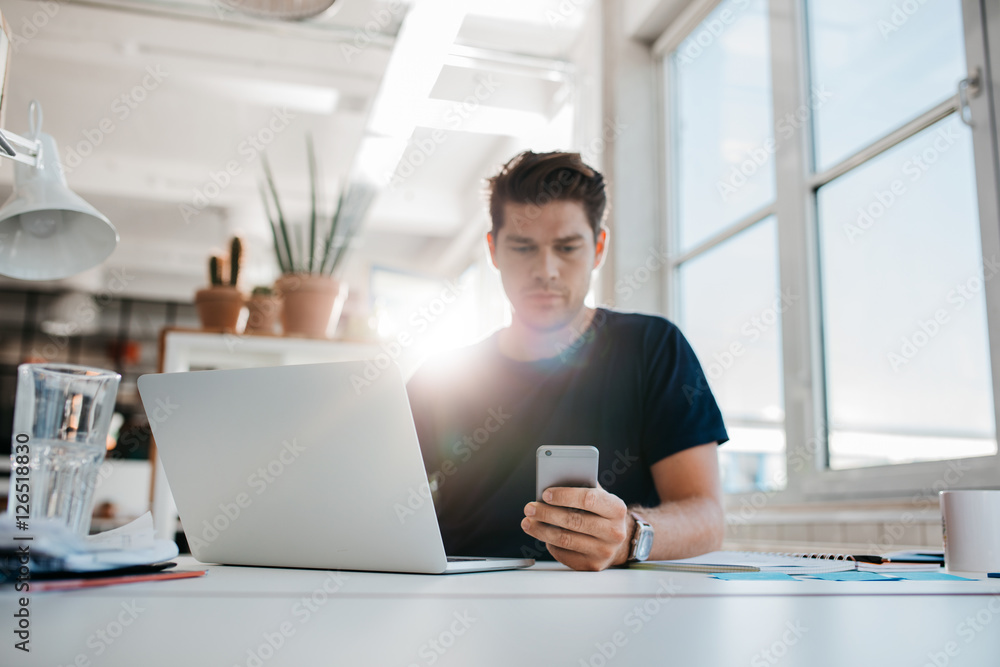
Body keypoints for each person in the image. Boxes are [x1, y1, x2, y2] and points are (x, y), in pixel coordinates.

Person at [406, 150, 728, 572]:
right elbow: (376, 496)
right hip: (462, 602)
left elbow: (707, 515)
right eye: (523, 247)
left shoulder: (654, 348)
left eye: (567, 247)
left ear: (598, 248)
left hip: (609, 603)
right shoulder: (440, 379)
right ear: (494, 250)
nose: (546, 270)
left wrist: (630, 536)